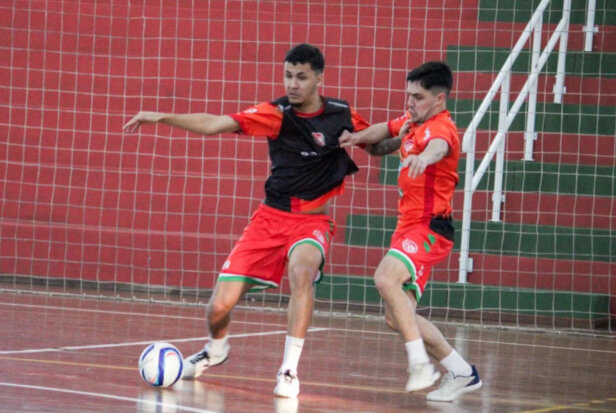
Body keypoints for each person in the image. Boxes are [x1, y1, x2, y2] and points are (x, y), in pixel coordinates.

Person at [124, 43, 370, 399]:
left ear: (319, 78)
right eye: (288, 76)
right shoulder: (275, 113)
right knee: (218, 307)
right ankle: (216, 350)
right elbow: (214, 124)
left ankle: (288, 371)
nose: (293, 84)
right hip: (268, 220)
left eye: (301, 77)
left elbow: (375, 142)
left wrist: (395, 136)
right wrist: (161, 117)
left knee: (302, 275)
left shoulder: (340, 114)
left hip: (311, 223)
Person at [339, 61, 482, 402]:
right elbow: (384, 130)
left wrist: (425, 159)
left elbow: (439, 146)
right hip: (408, 228)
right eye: (408, 96)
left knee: (385, 279)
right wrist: (354, 138)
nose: (409, 103)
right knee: (396, 316)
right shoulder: (412, 122)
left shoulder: (440, 128)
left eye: (417, 97)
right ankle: (463, 372)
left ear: (440, 99)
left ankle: (420, 365)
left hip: (430, 227)